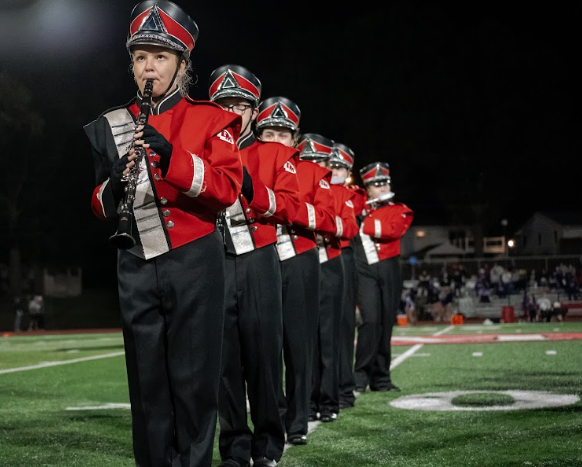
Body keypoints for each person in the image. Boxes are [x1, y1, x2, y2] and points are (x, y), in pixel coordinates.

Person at [84, 2, 244, 465]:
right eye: (140, 57)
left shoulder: (212, 119)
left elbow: (226, 190)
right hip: (134, 259)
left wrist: (173, 157)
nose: (148, 67)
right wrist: (113, 184)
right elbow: (96, 204)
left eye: (160, 56)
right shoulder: (109, 126)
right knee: (147, 383)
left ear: (181, 65)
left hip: (195, 259)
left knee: (194, 380)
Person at [208, 67, 301, 467]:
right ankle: (234, 446)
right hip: (213, 262)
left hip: (259, 259)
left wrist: (247, 185)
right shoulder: (203, 148)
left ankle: (267, 445)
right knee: (224, 362)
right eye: (225, 104)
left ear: (253, 111)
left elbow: (293, 207)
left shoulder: (275, 153)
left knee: (264, 356)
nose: (233, 111)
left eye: (241, 105)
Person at [256, 97, 336, 446]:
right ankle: (272, 414)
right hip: (258, 258)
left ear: (295, 139)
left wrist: (288, 210)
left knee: (298, 344)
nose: (276, 140)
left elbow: (330, 220)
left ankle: (299, 420)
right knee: (264, 345)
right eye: (269, 132)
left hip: (299, 259)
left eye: (283, 134)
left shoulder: (314, 172)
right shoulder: (247, 159)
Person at [353, 162, 413, 393]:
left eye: (385, 183)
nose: (382, 187)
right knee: (369, 321)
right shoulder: (358, 204)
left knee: (386, 323)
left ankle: (381, 378)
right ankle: (359, 378)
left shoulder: (399, 209)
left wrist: (363, 221)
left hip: (389, 268)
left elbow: (392, 230)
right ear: (366, 188)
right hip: (363, 269)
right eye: (376, 184)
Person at [327, 142, 367, 410]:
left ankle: (343, 387)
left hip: (342, 256)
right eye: (332, 165)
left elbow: (350, 227)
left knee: (341, 327)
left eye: (341, 167)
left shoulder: (350, 194)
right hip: (316, 257)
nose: (336, 170)